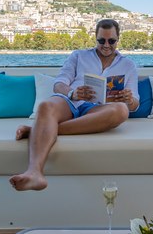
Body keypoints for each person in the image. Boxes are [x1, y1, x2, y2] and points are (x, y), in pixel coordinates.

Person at [10, 19, 139, 191]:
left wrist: (129, 100)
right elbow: (59, 84)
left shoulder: (128, 65)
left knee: (122, 110)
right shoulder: (78, 56)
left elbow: (134, 105)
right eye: (101, 40)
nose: (106, 45)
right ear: (95, 37)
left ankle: (39, 129)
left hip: (98, 110)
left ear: (118, 39)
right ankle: (34, 173)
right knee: (45, 106)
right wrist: (73, 92)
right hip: (71, 102)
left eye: (111, 41)